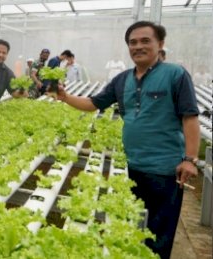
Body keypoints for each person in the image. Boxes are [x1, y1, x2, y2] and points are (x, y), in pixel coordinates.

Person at [56, 21, 200, 259]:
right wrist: (65, 97)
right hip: (130, 168)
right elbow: (93, 104)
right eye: (133, 42)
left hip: (165, 170)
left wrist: (190, 159)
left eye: (145, 41)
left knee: (158, 236)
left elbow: (190, 117)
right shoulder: (123, 79)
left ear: (160, 44)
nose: (138, 47)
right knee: (131, 228)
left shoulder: (175, 74)